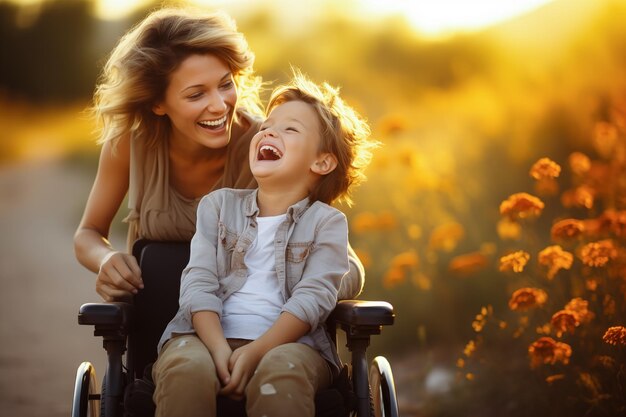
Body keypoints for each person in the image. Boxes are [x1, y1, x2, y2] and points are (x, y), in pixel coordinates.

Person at [72, 7, 365, 302]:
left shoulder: (270, 149)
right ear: (158, 103)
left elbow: (345, 264)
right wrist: (106, 259)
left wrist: (301, 294)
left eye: (226, 85)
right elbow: (89, 233)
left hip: (254, 329)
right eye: (196, 94)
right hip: (156, 322)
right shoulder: (129, 143)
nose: (219, 105)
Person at [152, 71, 378, 417]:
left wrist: (257, 351)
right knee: (186, 370)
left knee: (281, 375)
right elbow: (198, 282)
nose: (269, 131)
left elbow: (314, 297)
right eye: (268, 126)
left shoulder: (327, 224)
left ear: (322, 161)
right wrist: (217, 350)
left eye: (290, 129)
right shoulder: (218, 206)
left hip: (291, 345)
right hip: (201, 337)